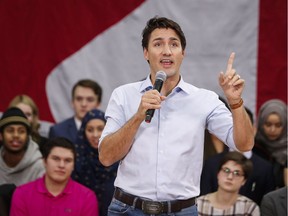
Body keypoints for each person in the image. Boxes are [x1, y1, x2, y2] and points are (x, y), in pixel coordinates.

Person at [98, 16, 254, 215]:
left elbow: (245, 144)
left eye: (174, 44)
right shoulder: (124, 95)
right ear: (146, 53)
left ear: (183, 53)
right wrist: (138, 116)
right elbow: (106, 157)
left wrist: (235, 102)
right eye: (158, 44)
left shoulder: (203, 99)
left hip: (181, 210)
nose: (167, 50)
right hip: (128, 208)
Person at [201, 106, 275, 205]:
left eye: (245, 127)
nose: (241, 132)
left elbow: (267, 204)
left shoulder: (265, 168)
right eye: (235, 127)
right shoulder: (212, 163)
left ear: (254, 130)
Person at [10, 137, 99, 216]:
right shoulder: (22, 194)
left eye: (68, 160)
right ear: (44, 161)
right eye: (56, 159)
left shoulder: (87, 198)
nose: (61, 165)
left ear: (73, 166)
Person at [72, 109, 118, 216]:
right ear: (83, 132)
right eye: (90, 130)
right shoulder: (76, 158)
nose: (95, 134)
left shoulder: (119, 156)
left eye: (100, 129)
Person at [197, 151, 260, 215]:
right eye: (226, 170)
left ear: (244, 180)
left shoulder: (249, 208)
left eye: (237, 173)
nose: (230, 177)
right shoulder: (198, 205)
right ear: (218, 174)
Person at [0, 107, 45, 186]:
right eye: (10, 130)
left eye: (21, 131)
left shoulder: (39, 167)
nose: (16, 135)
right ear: (1, 135)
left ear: (27, 136)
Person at [49, 79, 102, 143]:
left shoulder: (109, 130)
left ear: (98, 104)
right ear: (72, 102)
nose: (83, 104)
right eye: (79, 99)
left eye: (89, 100)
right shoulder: (57, 131)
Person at [253, 99, 287, 188]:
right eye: (268, 124)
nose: (272, 130)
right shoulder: (252, 147)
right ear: (260, 123)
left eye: (278, 125)